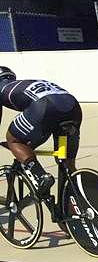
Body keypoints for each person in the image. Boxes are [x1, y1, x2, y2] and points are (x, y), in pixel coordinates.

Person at [0, 67, 82, 196]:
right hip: (72, 107)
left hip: (43, 107)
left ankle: (41, 176)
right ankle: (76, 201)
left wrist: (18, 145)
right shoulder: (25, 82)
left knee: (14, 140)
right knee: (66, 161)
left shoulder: (2, 89)